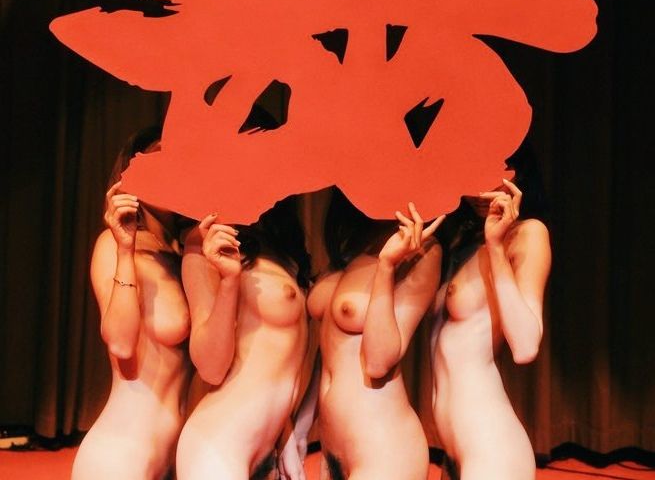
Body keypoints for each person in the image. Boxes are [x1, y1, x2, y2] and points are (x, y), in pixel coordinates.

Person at [282, 188, 443, 480]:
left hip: (383, 448)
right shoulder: (349, 249)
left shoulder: (421, 250)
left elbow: (378, 362)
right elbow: (330, 350)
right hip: (332, 449)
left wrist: (386, 267)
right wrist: (302, 428)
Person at [72, 126, 193, 480]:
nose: (174, 168)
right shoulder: (115, 246)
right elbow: (121, 344)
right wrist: (126, 249)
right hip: (120, 458)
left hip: (173, 461)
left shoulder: (188, 255)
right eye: (160, 158)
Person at [431, 146, 552, 480]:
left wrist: (497, 248)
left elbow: (526, 347)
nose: (481, 191)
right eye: (472, 174)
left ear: (517, 174)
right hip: (453, 451)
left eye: (494, 173)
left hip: (491, 449)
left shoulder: (528, 234)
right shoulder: (462, 240)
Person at [176, 196, 311, 480]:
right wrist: (229, 281)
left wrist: (285, 431)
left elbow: (271, 357)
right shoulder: (205, 238)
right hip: (219, 447)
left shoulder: (280, 242)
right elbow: (211, 369)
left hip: (267, 449)